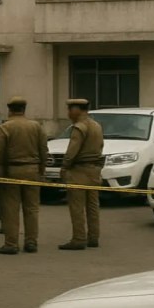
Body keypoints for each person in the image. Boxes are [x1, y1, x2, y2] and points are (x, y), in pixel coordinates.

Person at [0, 97, 47, 255]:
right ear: (24, 109)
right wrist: (42, 170)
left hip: (12, 171)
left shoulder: (5, 127)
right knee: (32, 209)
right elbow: (44, 150)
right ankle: (31, 242)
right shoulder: (36, 126)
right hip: (33, 170)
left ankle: (11, 243)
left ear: (10, 109)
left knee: (11, 209)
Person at [59, 99, 105, 251]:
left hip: (79, 171)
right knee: (92, 206)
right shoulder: (96, 126)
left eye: (70, 109)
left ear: (77, 110)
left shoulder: (79, 127)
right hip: (94, 170)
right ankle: (93, 237)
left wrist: (64, 167)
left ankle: (78, 238)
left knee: (77, 207)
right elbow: (101, 146)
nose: (68, 113)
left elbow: (72, 151)